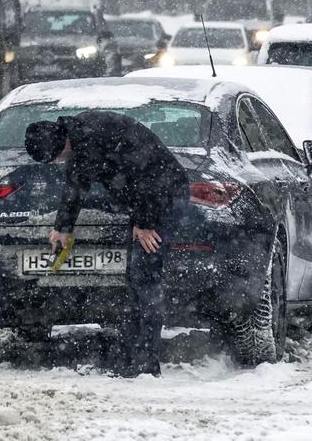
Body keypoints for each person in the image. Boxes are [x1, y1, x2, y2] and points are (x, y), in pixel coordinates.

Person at [25, 111, 189, 377]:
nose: (56, 163)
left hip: (165, 196)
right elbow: (75, 185)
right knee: (133, 279)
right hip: (145, 201)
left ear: (60, 145)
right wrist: (62, 228)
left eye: (53, 158)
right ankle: (131, 358)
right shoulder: (80, 138)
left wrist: (145, 222)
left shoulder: (96, 137)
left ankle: (147, 365)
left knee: (145, 277)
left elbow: (147, 175)